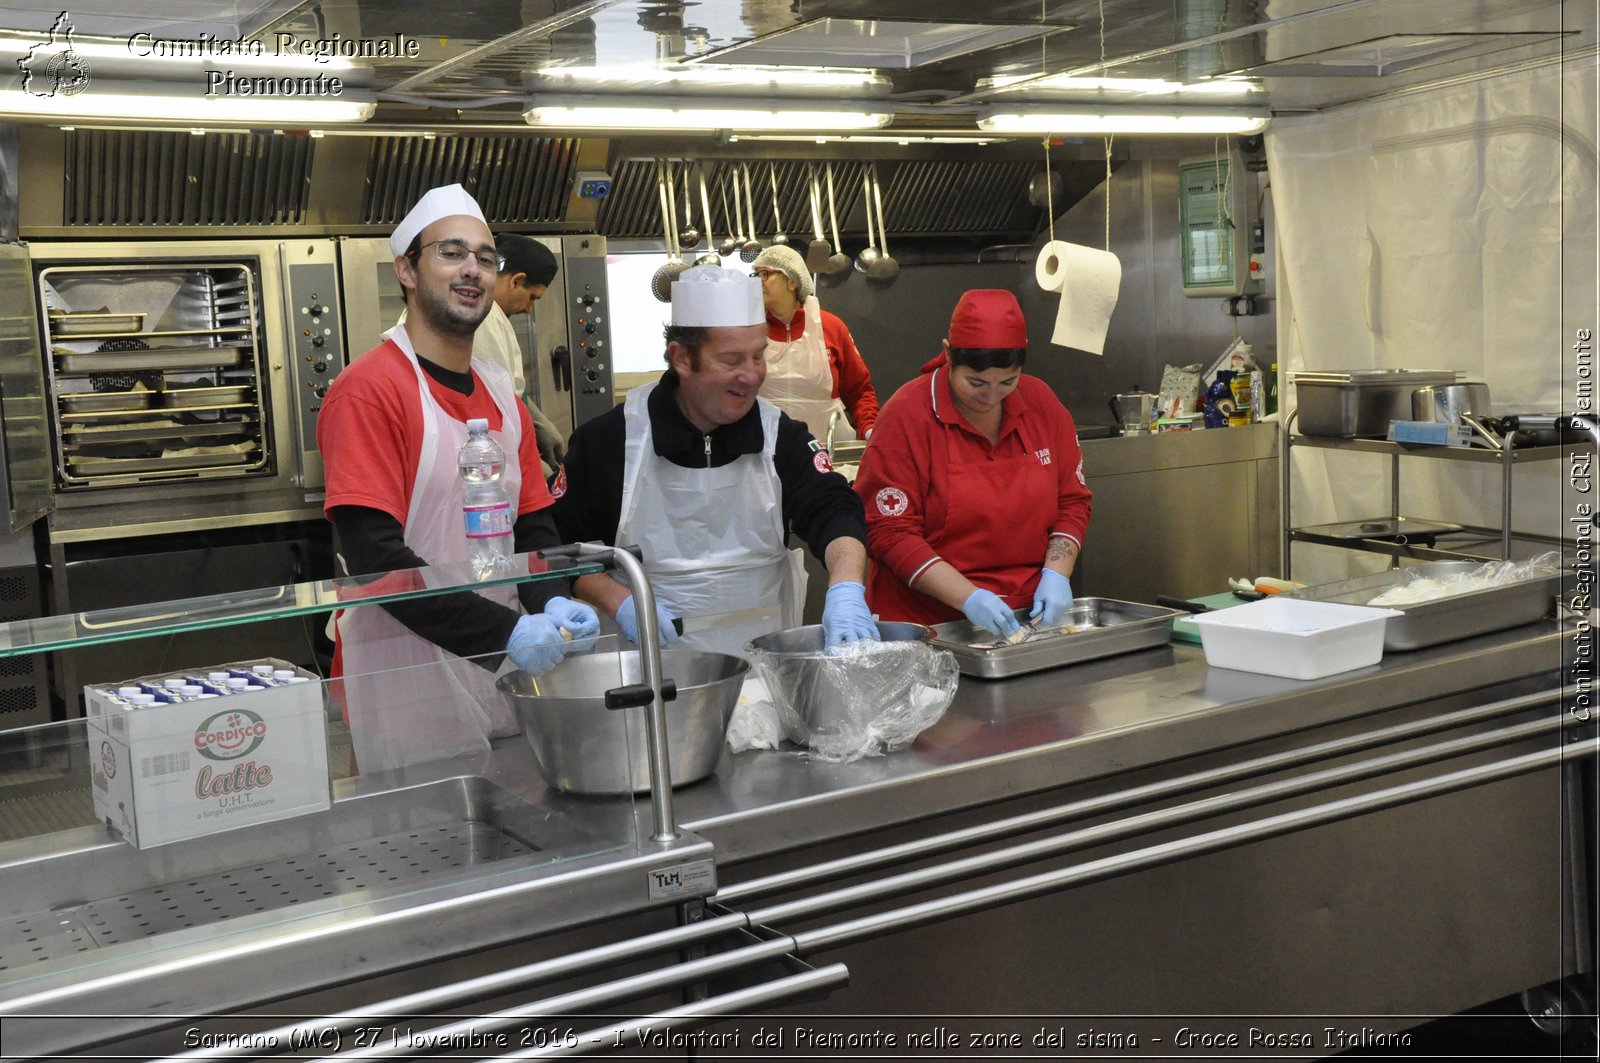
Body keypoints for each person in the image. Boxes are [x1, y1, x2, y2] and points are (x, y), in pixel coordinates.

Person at [318, 183, 598, 773]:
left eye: (485, 257)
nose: (472, 269)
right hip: (407, 672)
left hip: (504, 663)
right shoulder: (368, 391)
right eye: (450, 252)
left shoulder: (499, 390)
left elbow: (533, 525)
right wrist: (505, 635)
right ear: (407, 270)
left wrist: (551, 603)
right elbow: (376, 559)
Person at [547, 264, 877, 658]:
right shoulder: (610, 440)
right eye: (732, 360)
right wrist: (620, 601)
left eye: (759, 355)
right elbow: (561, 548)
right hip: (644, 672)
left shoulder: (781, 436)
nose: (752, 375)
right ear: (682, 359)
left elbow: (835, 510)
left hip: (762, 672)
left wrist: (845, 587)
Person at [852, 289, 1091, 637]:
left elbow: (1072, 500)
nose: (991, 396)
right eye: (976, 382)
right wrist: (969, 598)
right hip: (927, 626)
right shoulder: (907, 416)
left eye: (1007, 381)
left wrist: (1057, 573)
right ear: (948, 354)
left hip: (1027, 620)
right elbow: (889, 531)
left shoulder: (1042, 404)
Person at [750, 243, 878, 445]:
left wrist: (871, 429)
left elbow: (859, 391)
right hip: (767, 450)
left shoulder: (831, 326)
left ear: (792, 281)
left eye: (765, 274)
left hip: (829, 448)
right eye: (755, 275)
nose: (757, 282)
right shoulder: (748, 331)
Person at [471, 233, 570, 476]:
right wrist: (534, 467)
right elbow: (491, 403)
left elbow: (504, 387)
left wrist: (536, 421)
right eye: (533, 297)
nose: (529, 308)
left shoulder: (491, 315)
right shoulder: (483, 318)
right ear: (516, 281)